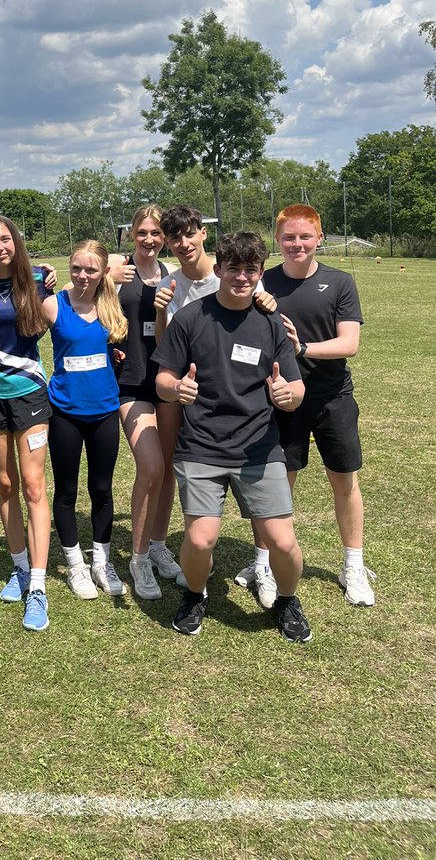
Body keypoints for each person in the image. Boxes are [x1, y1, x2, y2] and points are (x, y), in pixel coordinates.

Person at [153, 231, 312, 643]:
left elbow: (296, 389)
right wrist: (175, 390)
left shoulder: (271, 323)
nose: (241, 277)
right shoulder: (190, 317)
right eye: (234, 268)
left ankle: (288, 600)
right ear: (219, 268)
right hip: (202, 446)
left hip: (259, 448)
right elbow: (163, 378)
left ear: (260, 273)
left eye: (251, 270)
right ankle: (194, 594)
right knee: (201, 538)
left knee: (282, 540)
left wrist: (286, 395)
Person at [154, 204, 279, 609]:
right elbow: (167, 347)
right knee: (173, 464)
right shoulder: (170, 284)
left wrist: (271, 304)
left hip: (242, 402)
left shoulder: (233, 271)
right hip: (189, 394)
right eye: (175, 238)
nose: (184, 243)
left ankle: (263, 561)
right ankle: (162, 549)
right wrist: (158, 311)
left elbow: (261, 319)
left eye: (190, 234)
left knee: (259, 484)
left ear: (203, 234)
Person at [262, 204, 374, 606]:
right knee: (279, 485)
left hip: (331, 398)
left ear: (319, 238)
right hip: (281, 399)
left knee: (344, 482)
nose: (297, 244)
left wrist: (303, 347)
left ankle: (353, 564)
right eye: (289, 237)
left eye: (305, 237)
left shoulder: (340, 282)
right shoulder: (263, 282)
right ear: (278, 240)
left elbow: (350, 344)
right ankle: (266, 564)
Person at [0, 215, 53, 631]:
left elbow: (93, 273)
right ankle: (18, 568)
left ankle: (38, 585)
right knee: (5, 484)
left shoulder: (39, 279)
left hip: (30, 395)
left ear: (15, 242)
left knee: (35, 486)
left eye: (5, 239)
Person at [44, 240, 127, 600]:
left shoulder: (111, 305)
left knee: (103, 489)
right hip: (65, 412)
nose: (82, 275)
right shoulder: (53, 304)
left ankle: (101, 561)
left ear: (103, 272)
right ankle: (76, 564)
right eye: (76, 268)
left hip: (105, 411)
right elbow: (17, 325)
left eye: (90, 270)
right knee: (66, 492)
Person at [110, 205, 181, 601]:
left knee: (168, 469)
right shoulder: (119, 272)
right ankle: (137, 559)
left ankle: (157, 544)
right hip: (130, 382)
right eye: (143, 233)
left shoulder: (172, 275)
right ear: (131, 234)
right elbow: (88, 306)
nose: (150, 240)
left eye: (157, 233)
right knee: (150, 466)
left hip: (165, 382)